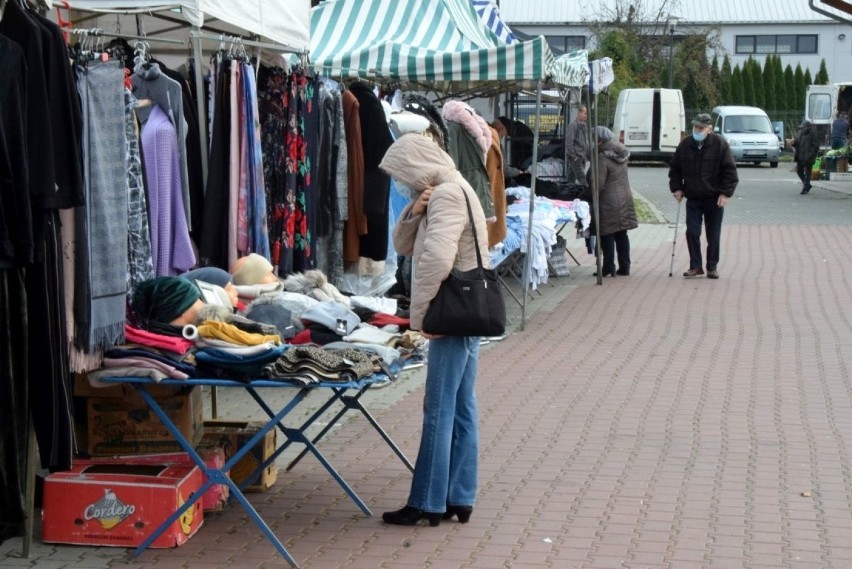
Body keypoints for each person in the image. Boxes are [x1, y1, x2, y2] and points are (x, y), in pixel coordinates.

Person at [378, 133, 489, 527]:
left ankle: (427, 502)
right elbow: (404, 244)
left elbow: (436, 259)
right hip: (466, 312)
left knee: (439, 409)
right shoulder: (449, 188)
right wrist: (413, 209)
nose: (401, 183)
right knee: (461, 407)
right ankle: (459, 496)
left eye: (402, 175)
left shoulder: (447, 194)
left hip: (449, 314)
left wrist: (421, 317)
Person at [668, 113, 739, 280]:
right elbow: (675, 169)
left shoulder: (720, 144)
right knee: (692, 232)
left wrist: (725, 193)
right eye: (695, 127)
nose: (697, 130)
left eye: (700, 128)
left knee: (713, 233)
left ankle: (712, 267)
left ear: (709, 129)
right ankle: (696, 266)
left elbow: (730, 171)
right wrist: (677, 188)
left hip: (714, 197)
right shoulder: (685, 144)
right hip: (693, 196)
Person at [593, 126, 638, 277]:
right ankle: (625, 267)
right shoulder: (621, 153)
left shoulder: (602, 158)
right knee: (621, 233)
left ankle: (608, 267)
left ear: (599, 140)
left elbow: (598, 184)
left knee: (606, 234)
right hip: (624, 198)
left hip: (608, 201)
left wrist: (586, 194)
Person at [792, 118, 821, 195]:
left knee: (808, 173)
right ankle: (807, 185)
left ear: (808, 127)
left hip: (808, 156)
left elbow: (816, 146)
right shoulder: (800, 132)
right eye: (801, 127)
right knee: (799, 171)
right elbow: (797, 142)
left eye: (803, 127)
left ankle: (805, 188)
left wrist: (811, 154)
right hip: (800, 155)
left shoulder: (813, 133)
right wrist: (793, 143)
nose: (801, 128)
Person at [565, 104, 590, 188]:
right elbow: (569, 142)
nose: (587, 115)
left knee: (571, 177)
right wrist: (574, 156)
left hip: (582, 156)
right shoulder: (573, 125)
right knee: (583, 179)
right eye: (585, 113)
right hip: (576, 157)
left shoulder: (583, 125)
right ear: (579, 113)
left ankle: (567, 190)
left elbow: (584, 141)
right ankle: (587, 194)